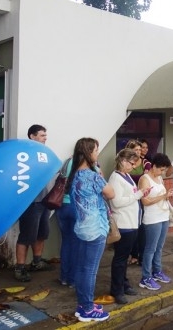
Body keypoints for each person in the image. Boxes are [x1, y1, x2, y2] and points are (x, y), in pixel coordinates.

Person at [70, 137, 115, 322]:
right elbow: (111, 193)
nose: (98, 154)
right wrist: (99, 173)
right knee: (90, 271)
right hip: (95, 228)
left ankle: (84, 304)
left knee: (82, 268)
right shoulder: (93, 175)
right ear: (89, 153)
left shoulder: (76, 174)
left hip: (82, 226)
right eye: (96, 150)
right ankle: (87, 309)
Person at [108, 149, 152, 304]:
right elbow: (117, 202)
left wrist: (140, 193)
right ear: (123, 161)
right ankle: (117, 289)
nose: (134, 167)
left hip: (131, 223)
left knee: (124, 258)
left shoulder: (125, 176)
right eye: (132, 163)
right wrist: (138, 194)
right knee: (120, 259)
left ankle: (123, 284)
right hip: (124, 224)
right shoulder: (116, 178)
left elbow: (131, 195)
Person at [14, 125, 55, 282]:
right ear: (32, 136)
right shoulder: (25, 155)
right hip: (31, 202)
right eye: (42, 135)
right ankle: (20, 268)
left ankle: (37, 262)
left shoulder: (42, 154)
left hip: (44, 200)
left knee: (42, 233)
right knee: (27, 235)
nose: (45, 137)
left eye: (46, 134)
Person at [138, 153, 173, 290]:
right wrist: (164, 196)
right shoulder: (145, 179)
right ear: (153, 166)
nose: (163, 172)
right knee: (150, 248)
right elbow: (145, 201)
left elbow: (161, 196)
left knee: (159, 247)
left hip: (163, 215)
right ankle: (145, 277)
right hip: (152, 218)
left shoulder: (159, 178)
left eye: (164, 169)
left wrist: (167, 195)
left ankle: (157, 271)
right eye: (161, 169)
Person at [56, 157, 77, 288]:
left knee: (66, 242)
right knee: (76, 244)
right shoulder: (88, 166)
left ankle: (64, 277)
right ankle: (73, 279)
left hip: (62, 205)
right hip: (75, 207)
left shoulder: (68, 161)